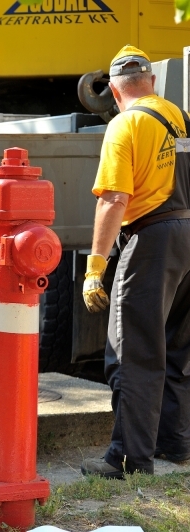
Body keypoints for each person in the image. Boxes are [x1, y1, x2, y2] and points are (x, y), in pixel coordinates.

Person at [80, 45, 190, 479]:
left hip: (152, 240)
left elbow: (113, 200)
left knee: (133, 353)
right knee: (177, 350)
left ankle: (126, 459)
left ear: (112, 89)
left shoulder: (123, 126)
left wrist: (95, 269)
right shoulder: (179, 118)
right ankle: (175, 445)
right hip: (187, 233)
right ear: (152, 82)